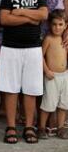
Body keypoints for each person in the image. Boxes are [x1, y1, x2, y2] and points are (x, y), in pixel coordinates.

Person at [0, 0, 48, 144]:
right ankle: (11, 126)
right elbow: (5, 19)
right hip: (11, 48)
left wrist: (20, 12)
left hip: (33, 48)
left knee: (31, 89)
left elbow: (43, 14)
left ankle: (29, 126)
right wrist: (30, 18)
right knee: (11, 88)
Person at [38, 10, 68, 140]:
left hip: (65, 76)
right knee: (48, 104)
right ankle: (41, 127)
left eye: (60, 24)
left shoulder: (65, 39)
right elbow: (40, 56)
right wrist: (46, 70)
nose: (57, 27)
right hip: (52, 76)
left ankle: (60, 128)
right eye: (54, 24)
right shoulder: (48, 39)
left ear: (65, 25)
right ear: (50, 25)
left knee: (63, 104)